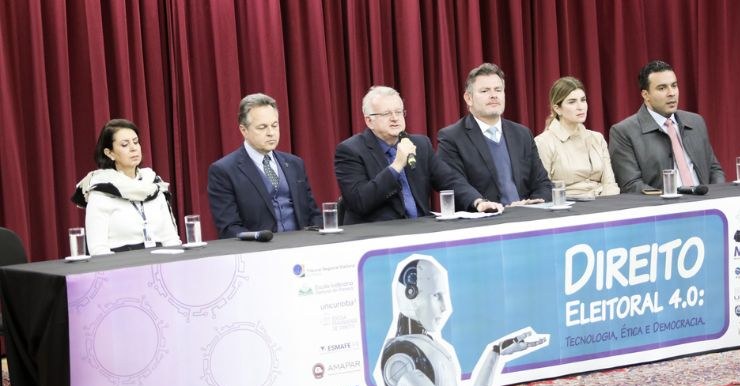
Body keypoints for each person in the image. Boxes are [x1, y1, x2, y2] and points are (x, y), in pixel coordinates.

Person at [375, 254, 549, 386]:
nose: (445, 307)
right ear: (411, 294)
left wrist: (495, 353)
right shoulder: (402, 352)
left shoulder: (419, 345)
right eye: (436, 296)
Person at [334, 86, 502, 224]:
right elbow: (360, 201)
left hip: (420, 230)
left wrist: (477, 201)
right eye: (386, 114)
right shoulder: (350, 151)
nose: (395, 118)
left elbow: (449, 180)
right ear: (369, 120)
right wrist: (396, 166)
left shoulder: (420, 144)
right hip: (377, 236)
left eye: (399, 112)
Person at [438, 63, 552, 206]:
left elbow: (542, 182)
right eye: (485, 91)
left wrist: (535, 203)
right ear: (468, 98)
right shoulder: (452, 137)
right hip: (483, 221)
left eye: (498, 90)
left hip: (525, 217)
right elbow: (453, 183)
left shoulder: (522, 134)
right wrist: (479, 203)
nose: (493, 95)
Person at [208, 93, 320, 238]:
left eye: (275, 125)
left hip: (302, 248)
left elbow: (313, 214)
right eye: (262, 127)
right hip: (257, 253)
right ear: (244, 130)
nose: (271, 133)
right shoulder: (223, 171)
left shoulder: (294, 164)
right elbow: (229, 228)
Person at [608, 60, 725, 193]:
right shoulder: (623, 132)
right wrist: (670, 199)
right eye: (662, 88)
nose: (672, 93)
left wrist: (716, 195)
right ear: (646, 95)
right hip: (662, 208)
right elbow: (631, 185)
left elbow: (714, 170)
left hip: (706, 205)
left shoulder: (696, 122)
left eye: (674, 85)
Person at [71, 119, 181, 255]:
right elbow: (98, 249)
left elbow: (170, 238)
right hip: (121, 265)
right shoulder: (101, 191)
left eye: (136, 142)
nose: (133, 148)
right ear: (109, 153)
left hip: (160, 263)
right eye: (124, 144)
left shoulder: (153, 184)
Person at [534, 77, 620, 197]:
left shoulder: (597, 138)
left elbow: (610, 183)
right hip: (569, 207)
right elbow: (544, 189)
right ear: (557, 108)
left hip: (603, 202)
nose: (580, 107)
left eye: (583, 100)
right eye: (572, 102)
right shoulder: (543, 142)